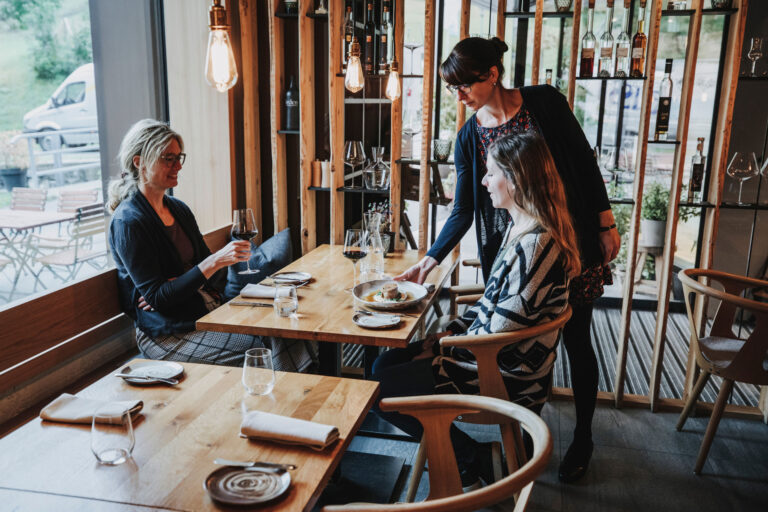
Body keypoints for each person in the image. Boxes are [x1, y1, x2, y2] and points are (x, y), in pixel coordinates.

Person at [396, 37, 621, 483]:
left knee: (577, 341)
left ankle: (583, 437)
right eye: (452, 88)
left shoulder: (543, 103)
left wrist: (605, 219)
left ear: (492, 75)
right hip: (518, 250)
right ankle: (516, 417)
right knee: (523, 335)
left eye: (464, 85)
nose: (457, 97)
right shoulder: (469, 137)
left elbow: (582, 159)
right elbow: (463, 208)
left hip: (570, 237)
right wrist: (431, 258)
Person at [373, 132, 580, 487]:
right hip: (494, 358)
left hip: (503, 374)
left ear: (516, 179)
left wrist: (439, 346)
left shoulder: (534, 246)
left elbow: (499, 334)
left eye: (491, 173)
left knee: (380, 387)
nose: (483, 182)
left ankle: (469, 457)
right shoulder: (523, 230)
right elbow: (492, 310)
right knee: (383, 365)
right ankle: (468, 456)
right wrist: (443, 336)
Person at [107, 119, 313, 371]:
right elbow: (162, 298)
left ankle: (289, 403)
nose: (178, 166)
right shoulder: (129, 222)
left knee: (289, 328)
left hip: (201, 312)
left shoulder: (178, 209)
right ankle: (288, 404)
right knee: (268, 344)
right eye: (168, 159)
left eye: (179, 157)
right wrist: (192, 275)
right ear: (139, 162)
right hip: (166, 334)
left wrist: (177, 285)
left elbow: (206, 278)